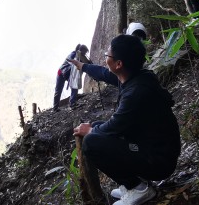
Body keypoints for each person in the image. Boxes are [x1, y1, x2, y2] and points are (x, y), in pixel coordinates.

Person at [68, 35, 181, 205]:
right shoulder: (133, 75)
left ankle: (138, 188)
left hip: (158, 160)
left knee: (92, 142)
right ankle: (133, 183)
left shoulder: (136, 93)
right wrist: (82, 66)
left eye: (108, 55)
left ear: (119, 64)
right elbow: (102, 73)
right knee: (98, 127)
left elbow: (115, 126)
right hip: (152, 146)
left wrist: (90, 130)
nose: (105, 56)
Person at [53, 44, 90, 112]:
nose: (84, 54)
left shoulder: (81, 57)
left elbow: (87, 64)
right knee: (58, 90)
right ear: (81, 51)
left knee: (74, 86)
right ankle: (55, 108)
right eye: (84, 52)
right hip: (62, 72)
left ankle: (72, 104)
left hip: (69, 74)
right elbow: (70, 60)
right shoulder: (73, 54)